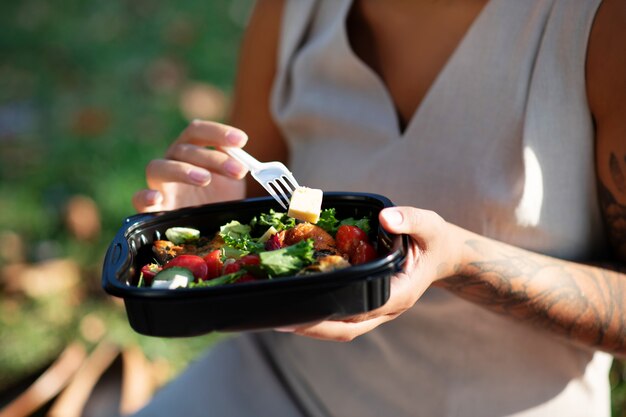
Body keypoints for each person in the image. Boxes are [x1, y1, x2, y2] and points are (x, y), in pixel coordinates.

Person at [130, 0, 626, 416]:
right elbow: (253, 205)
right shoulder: (292, 9)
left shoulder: (601, 24)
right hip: (278, 380)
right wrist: (213, 214)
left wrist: (461, 261)